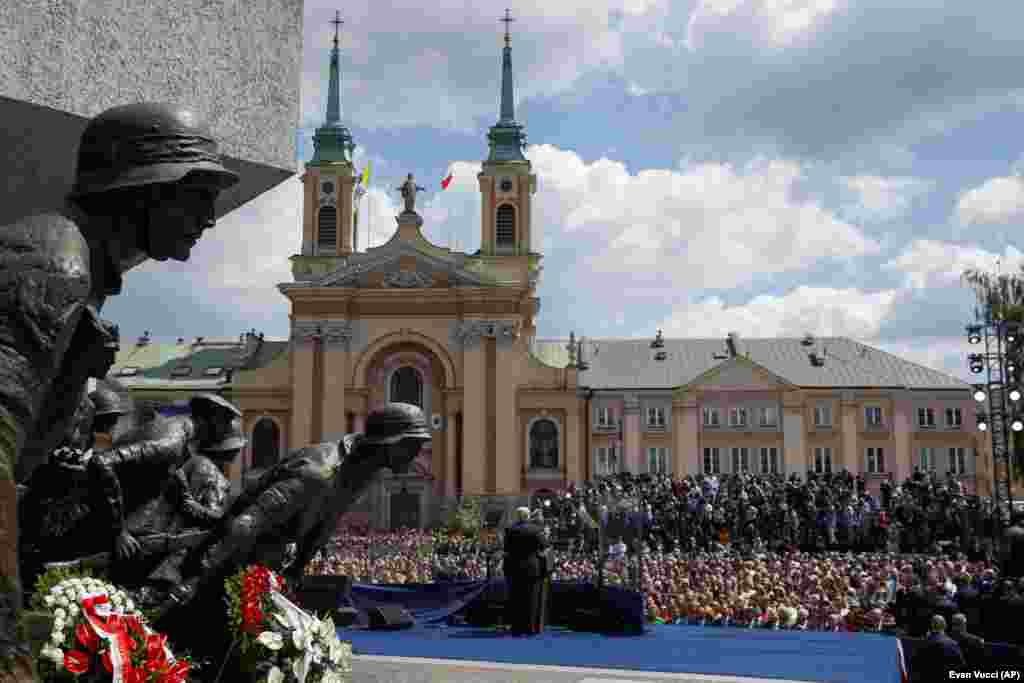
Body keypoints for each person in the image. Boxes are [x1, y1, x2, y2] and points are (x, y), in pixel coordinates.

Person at [0, 102, 237, 675]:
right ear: (146, 189)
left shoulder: (77, 266)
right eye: (199, 193)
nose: (211, 218)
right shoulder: (56, 264)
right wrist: (8, 654)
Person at [153, 402, 432, 660]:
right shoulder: (319, 472)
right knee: (200, 650)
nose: (417, 454)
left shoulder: (360, 472)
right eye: (412, 445)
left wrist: (295, 573)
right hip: (227, 565)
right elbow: (246, 524)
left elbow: (326, 523)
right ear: (388, 444)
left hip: (261, 568)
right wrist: (197, 578)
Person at [503, 506, 550, 636]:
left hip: (514, 567)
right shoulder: (535, 530)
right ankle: (530, 628)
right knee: (532, 598)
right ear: (528, 516)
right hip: (532, 567)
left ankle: (517, 627)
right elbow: (545, 547)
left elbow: (506, 550)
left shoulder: (510, 530)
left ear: (517, 516)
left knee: (516, 598)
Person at [912, 615, 965, 682]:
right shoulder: (952, 644)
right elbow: (961, 666)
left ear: (931, 625)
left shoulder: (921, 643)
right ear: (945, 626)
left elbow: (915, 665)